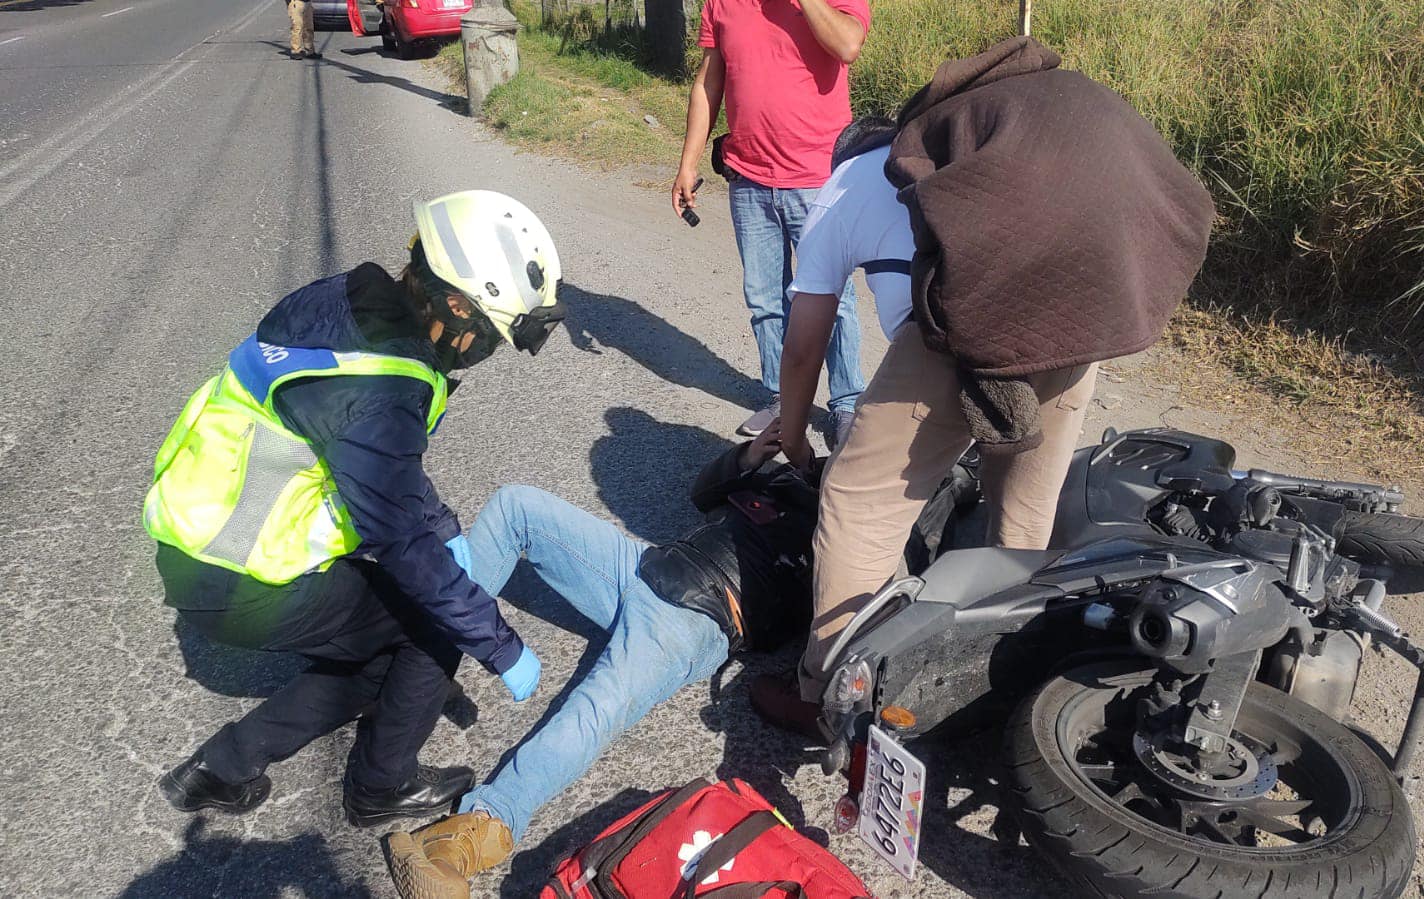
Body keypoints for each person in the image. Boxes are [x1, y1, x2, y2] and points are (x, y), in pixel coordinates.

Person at [750, 38, 1217, 734]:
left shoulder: (845, 186)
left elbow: (803, 341)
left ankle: (827, 693)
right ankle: (1006, 676)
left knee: (859, 502)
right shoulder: (990, 136)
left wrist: (790, 432)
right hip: (1083, 304)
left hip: (983, 310)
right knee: (1023, 506)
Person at [381, 428, 974, 898]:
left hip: (695, 621)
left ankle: (471, 836)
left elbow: (866, 632)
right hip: (642, 566)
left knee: (595, 710)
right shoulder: (800, 481)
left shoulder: (867, 550)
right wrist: (748, 458)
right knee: (518, 507)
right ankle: (426, 639)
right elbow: (703, 493)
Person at [146, 190, 567, 827]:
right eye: (487, 336)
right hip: (237, 574)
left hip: (197, 533)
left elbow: (376, 468)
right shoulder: (384, 386)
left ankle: (221, 768)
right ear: (457, 305)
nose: (482, 354)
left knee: (387, 645)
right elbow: (399, 538)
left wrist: (442, 524)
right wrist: (498, 640)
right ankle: (380, 787)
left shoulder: (348, 301)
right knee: (434, 623)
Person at [672, 0, 871, 447]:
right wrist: (687, 162)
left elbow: (848, 44)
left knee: (834, 301)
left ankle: (846, 403)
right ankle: (784, 399)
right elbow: (708, 80)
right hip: (749, 177)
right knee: (765, 299)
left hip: (819, 178)